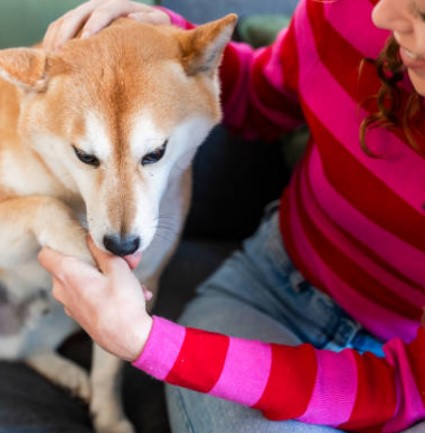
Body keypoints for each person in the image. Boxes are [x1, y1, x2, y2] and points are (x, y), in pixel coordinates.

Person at [37, 0, 425, 431]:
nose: (381, 16)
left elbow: (403, 388)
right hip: (269, 288)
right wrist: (174, 49)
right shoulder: (350, 7)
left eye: (423, 13)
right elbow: (260, 97)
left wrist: (151, 344)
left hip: (402, 369)